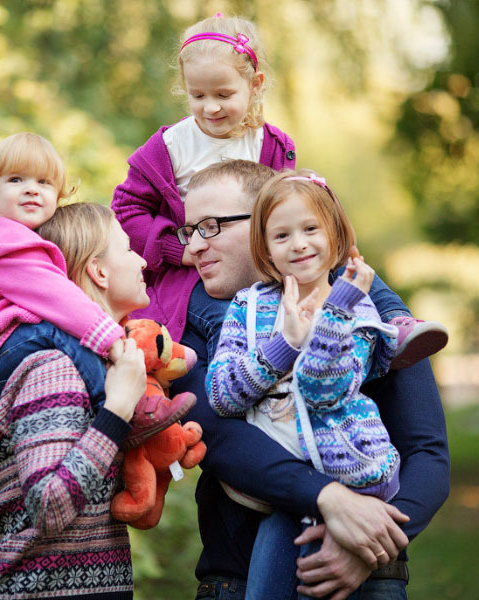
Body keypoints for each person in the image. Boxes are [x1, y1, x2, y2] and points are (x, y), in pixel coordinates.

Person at [168, 160, 450, 600]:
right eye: (190, 232)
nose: (191, 250)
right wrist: (330, 500)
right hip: (234, 580)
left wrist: (369, 545)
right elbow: (220, 435)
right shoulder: (192, 322)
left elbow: (428, 451)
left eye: (210, 226)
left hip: (367, 575)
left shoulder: (366, 306)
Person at [111, 13, 446, 373]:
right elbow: (127, 209)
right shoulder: (170, 145)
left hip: (266, 259)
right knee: (231, 318)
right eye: (198, 95)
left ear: (255, 84)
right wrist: (179, 250)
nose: (210, 107)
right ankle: (247, 378)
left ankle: (395, 320)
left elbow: (289, 208)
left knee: (339, 257)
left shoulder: (272, 144)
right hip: (201, 267)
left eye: (224, 94)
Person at [207, 170, 404, 600]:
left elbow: (322, 392)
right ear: (265, 248)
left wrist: (334, 314)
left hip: (349, 474)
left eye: (310, 229)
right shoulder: (250, 306)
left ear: (335, 234)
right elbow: (221, 395)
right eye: (281, 235)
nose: (298, 244)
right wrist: (284, 345)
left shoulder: (361, 310)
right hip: (281, 488)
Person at [0, 132, 190, 445]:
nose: (32, 189)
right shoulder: (2, 246)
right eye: (16, 180)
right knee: (56, 331)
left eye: (44, 182)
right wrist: (113, 342)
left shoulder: (8, 242)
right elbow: (61, 300)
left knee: (55, 331)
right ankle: (122, 410)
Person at [0, 203, 150, 599]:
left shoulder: (99, 369)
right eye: (128, 249)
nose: (144, 259)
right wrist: (117, 410)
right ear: (99, 271)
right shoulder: (53, 368)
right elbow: (49, 507)